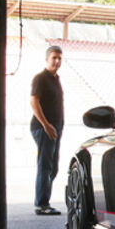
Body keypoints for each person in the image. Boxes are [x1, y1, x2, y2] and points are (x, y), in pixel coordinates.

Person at [30, 45, 65, 215]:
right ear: (47, 59)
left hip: (55, 128)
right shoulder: (40, 78)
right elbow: (34, 102)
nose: (57, 61)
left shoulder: (55, 79)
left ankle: (44, 200)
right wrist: (46, 125)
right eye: (54, 58)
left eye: (59, 58)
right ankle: (42, 204)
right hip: (44, 128)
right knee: (45, 165)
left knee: (53, 167)